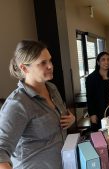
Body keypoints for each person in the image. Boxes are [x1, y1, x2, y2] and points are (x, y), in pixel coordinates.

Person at [0, 40, 75, 169]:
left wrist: (71, 118)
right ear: (24, 68)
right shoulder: (17, 104)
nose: (50, 66)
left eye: (50, 60)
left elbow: (61, 114)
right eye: (43, 63)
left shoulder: (52, 88)